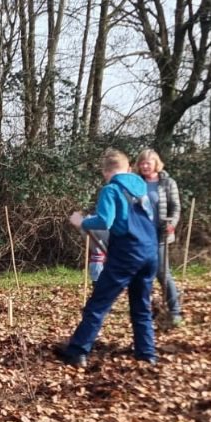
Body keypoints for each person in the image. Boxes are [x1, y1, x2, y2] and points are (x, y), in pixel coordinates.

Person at [55, 149, 158, 368]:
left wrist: (82, 222)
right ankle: (147, 354)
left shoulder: (111, 190)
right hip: (150, 251)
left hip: (127, 253)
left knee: (98, 303)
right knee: (141, 305)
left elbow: (104, 221)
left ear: (105, 172)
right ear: (128, 168)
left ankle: (77, 352)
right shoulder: (143, 189)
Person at [135, 148, 183, 325]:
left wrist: (171, 224)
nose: (144, 166)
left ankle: (175, 310)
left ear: (156, 163)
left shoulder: (167, 182)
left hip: (161, 234)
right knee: (142, 272)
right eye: (141, 163)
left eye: (148, 162)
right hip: (141, 235)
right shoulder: (136, 183)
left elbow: (176, 207)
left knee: (163, 273)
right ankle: (145, 309)